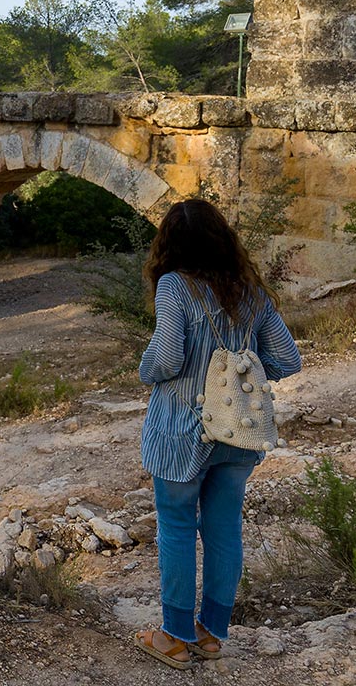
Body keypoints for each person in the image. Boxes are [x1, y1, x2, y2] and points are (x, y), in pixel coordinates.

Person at [133, 199, 302, 669]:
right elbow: (288, 359)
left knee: (177, 527)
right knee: (225, 527)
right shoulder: (250, 293)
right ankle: (210, 634)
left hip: (181, 431)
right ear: (223, 240)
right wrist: (239, 372)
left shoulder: (174, 286)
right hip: (238, 430)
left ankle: (173, 636)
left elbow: (165, 359)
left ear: (170, 244)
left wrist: (145, 371)